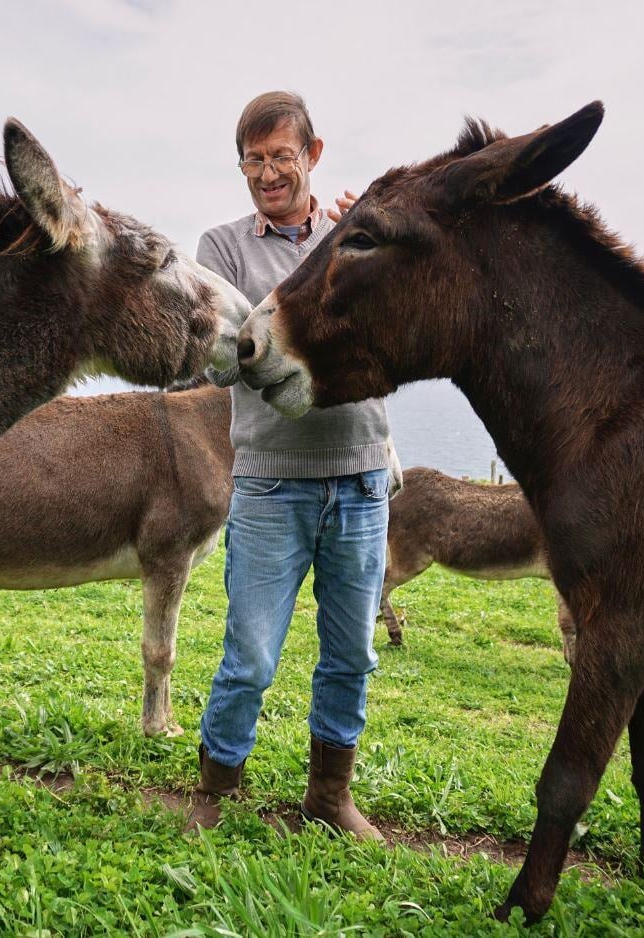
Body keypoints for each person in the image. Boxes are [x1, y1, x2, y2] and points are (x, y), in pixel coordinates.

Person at [187, 91, 398, 841]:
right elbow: (217, 363)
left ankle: (330, 796)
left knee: (352, 654)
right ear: (241, 166)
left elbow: (400, 331)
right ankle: (217, 787)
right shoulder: (220, 251)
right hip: (271, 481)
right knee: (249, 653)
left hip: (362, 476)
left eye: (282, 155)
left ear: (312, 154)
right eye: (253, 159)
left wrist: (372, 247)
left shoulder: (356, 236)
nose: (268, 171)